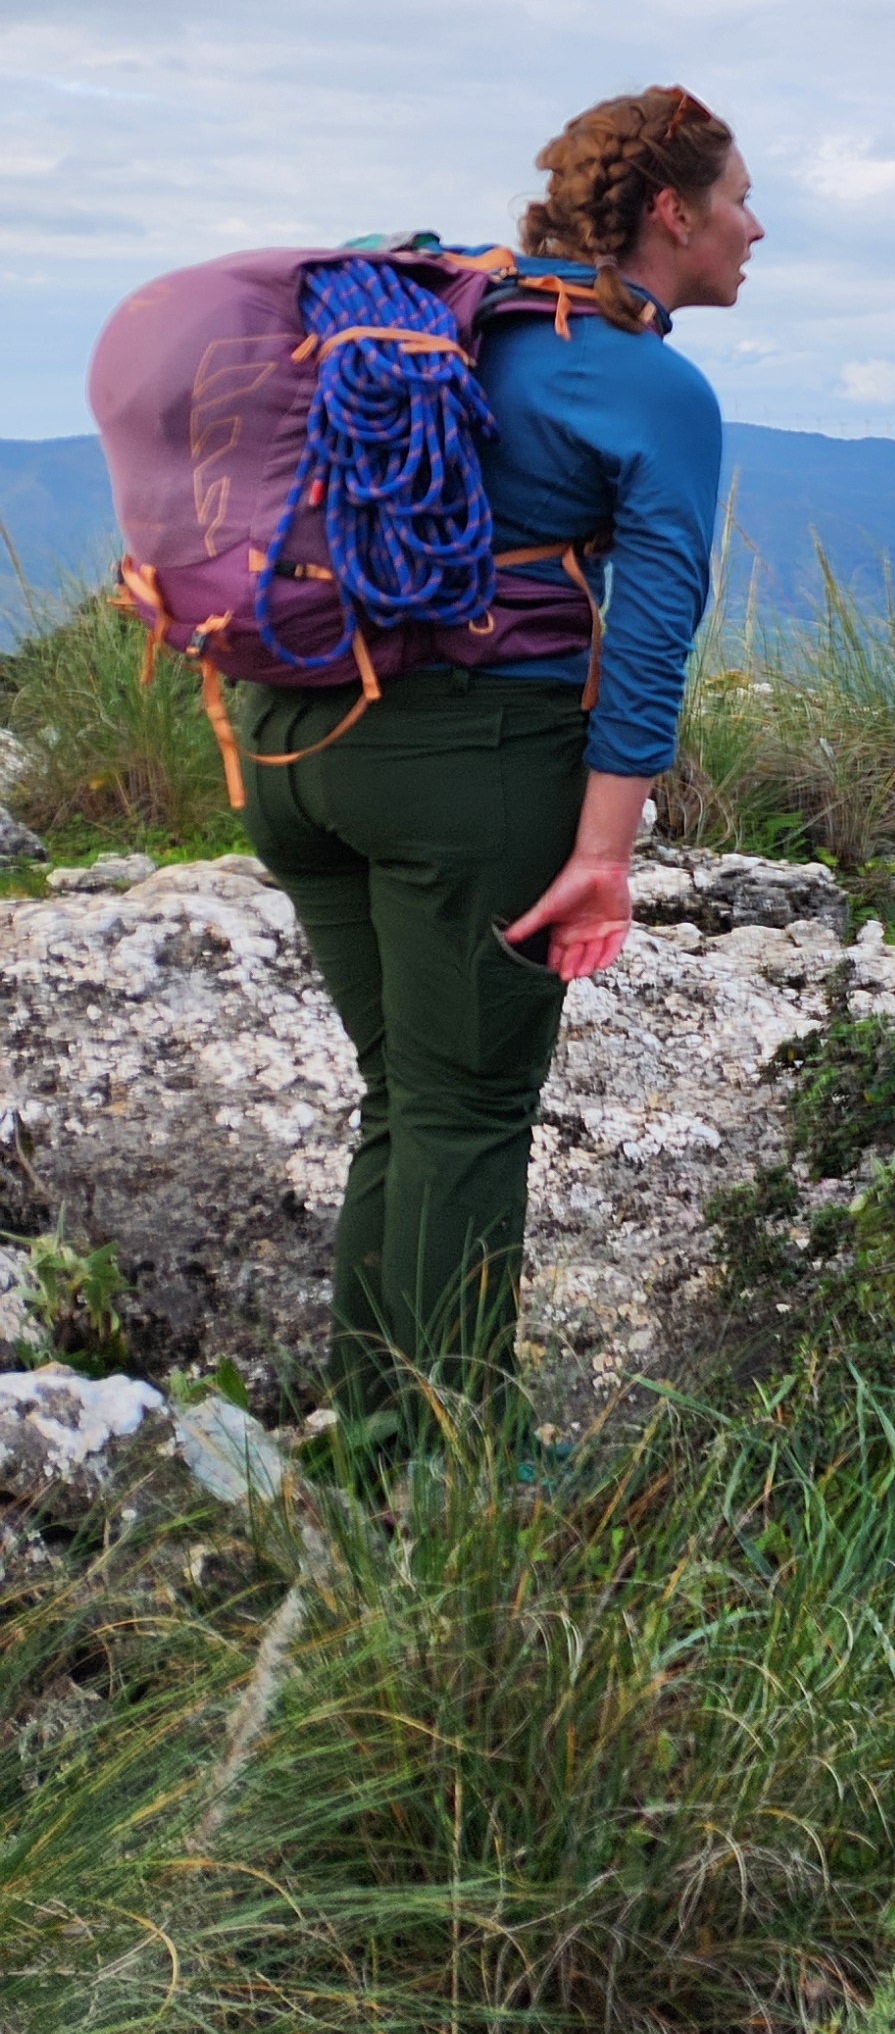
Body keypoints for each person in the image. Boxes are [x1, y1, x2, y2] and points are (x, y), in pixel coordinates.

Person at [238, 88, 760, 1449]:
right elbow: (649, 635)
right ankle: (464, 1484)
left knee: (410, 1103)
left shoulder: (448, 321)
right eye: (739, 201)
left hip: (290, 742)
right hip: (460, 767)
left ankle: (375, 1458)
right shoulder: (650, 384)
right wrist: (604, 853)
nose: (755, 230)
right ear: (672, 213)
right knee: (467, 1115)